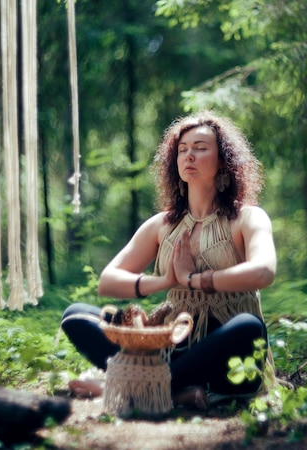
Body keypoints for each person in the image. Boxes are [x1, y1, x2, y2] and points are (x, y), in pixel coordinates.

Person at [61, 110, 277, 409]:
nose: (189, 155)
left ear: (224, 161)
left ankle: (123, 387)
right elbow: (108, 280)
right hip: (176, 349)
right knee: (76, 314)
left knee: (248, 326)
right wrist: (165, 281)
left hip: (229, 358)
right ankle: (173, 391)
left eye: (201, 148)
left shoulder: (247, 218)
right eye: (182, 150)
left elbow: (264, 272)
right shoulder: (161, 225)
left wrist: (196, 280)